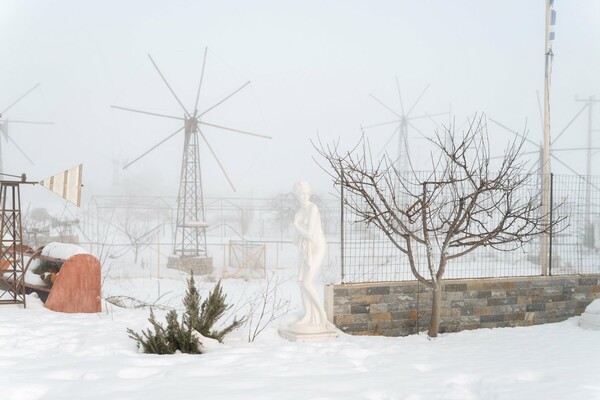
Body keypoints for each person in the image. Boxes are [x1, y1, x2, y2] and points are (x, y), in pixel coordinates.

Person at [291, 181, 328, 331]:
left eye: (306, 193)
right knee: (301, 282)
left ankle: (322, 316)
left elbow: (310, 234)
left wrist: (296, 226)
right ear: (297, 196)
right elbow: (295, 239)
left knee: (307, 282)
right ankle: (308, 316)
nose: (304, 196)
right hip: (306, 249)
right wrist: (297, 229)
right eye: (301, 194)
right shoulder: (299, 212)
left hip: (318, 247)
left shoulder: (313, 208)